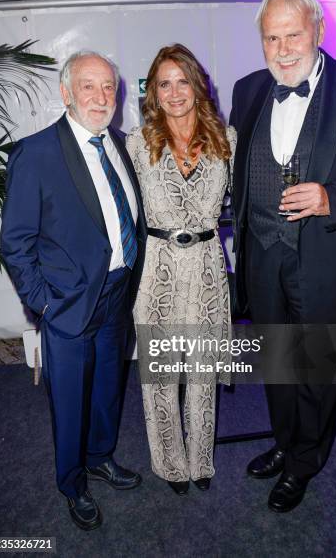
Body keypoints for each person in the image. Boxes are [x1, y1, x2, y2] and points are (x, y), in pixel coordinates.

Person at [230, 0, 336, 512]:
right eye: (271, 38)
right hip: (264, 260)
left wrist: (332, 197)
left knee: (318, 367)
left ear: (318, 29)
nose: (282, 49)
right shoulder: (248, 89)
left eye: (292, 34)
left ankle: (305, 462)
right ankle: (284, 441)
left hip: (329, 261)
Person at [0, 50, 147, 530]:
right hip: (65, 306)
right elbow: (17, 243)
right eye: (88, 86)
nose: (101, 97)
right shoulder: (35, 153)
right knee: (69, 400)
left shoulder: (122, 144)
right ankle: (72, 482)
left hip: (116, 298)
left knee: (107, 389)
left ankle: (100, 458)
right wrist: (42, 301)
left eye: (108, 87)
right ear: (66, 93)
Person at [127, 43, 236, 495]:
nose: (175, 92)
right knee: (162, 376)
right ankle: (171, 463)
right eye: (164, 83)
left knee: (203, 372)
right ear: (153, 91)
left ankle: (201, 460)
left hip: (209, 269)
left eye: (182, 80)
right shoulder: (137, 143)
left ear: (198, 84)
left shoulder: (227, 139)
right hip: (158, 271)